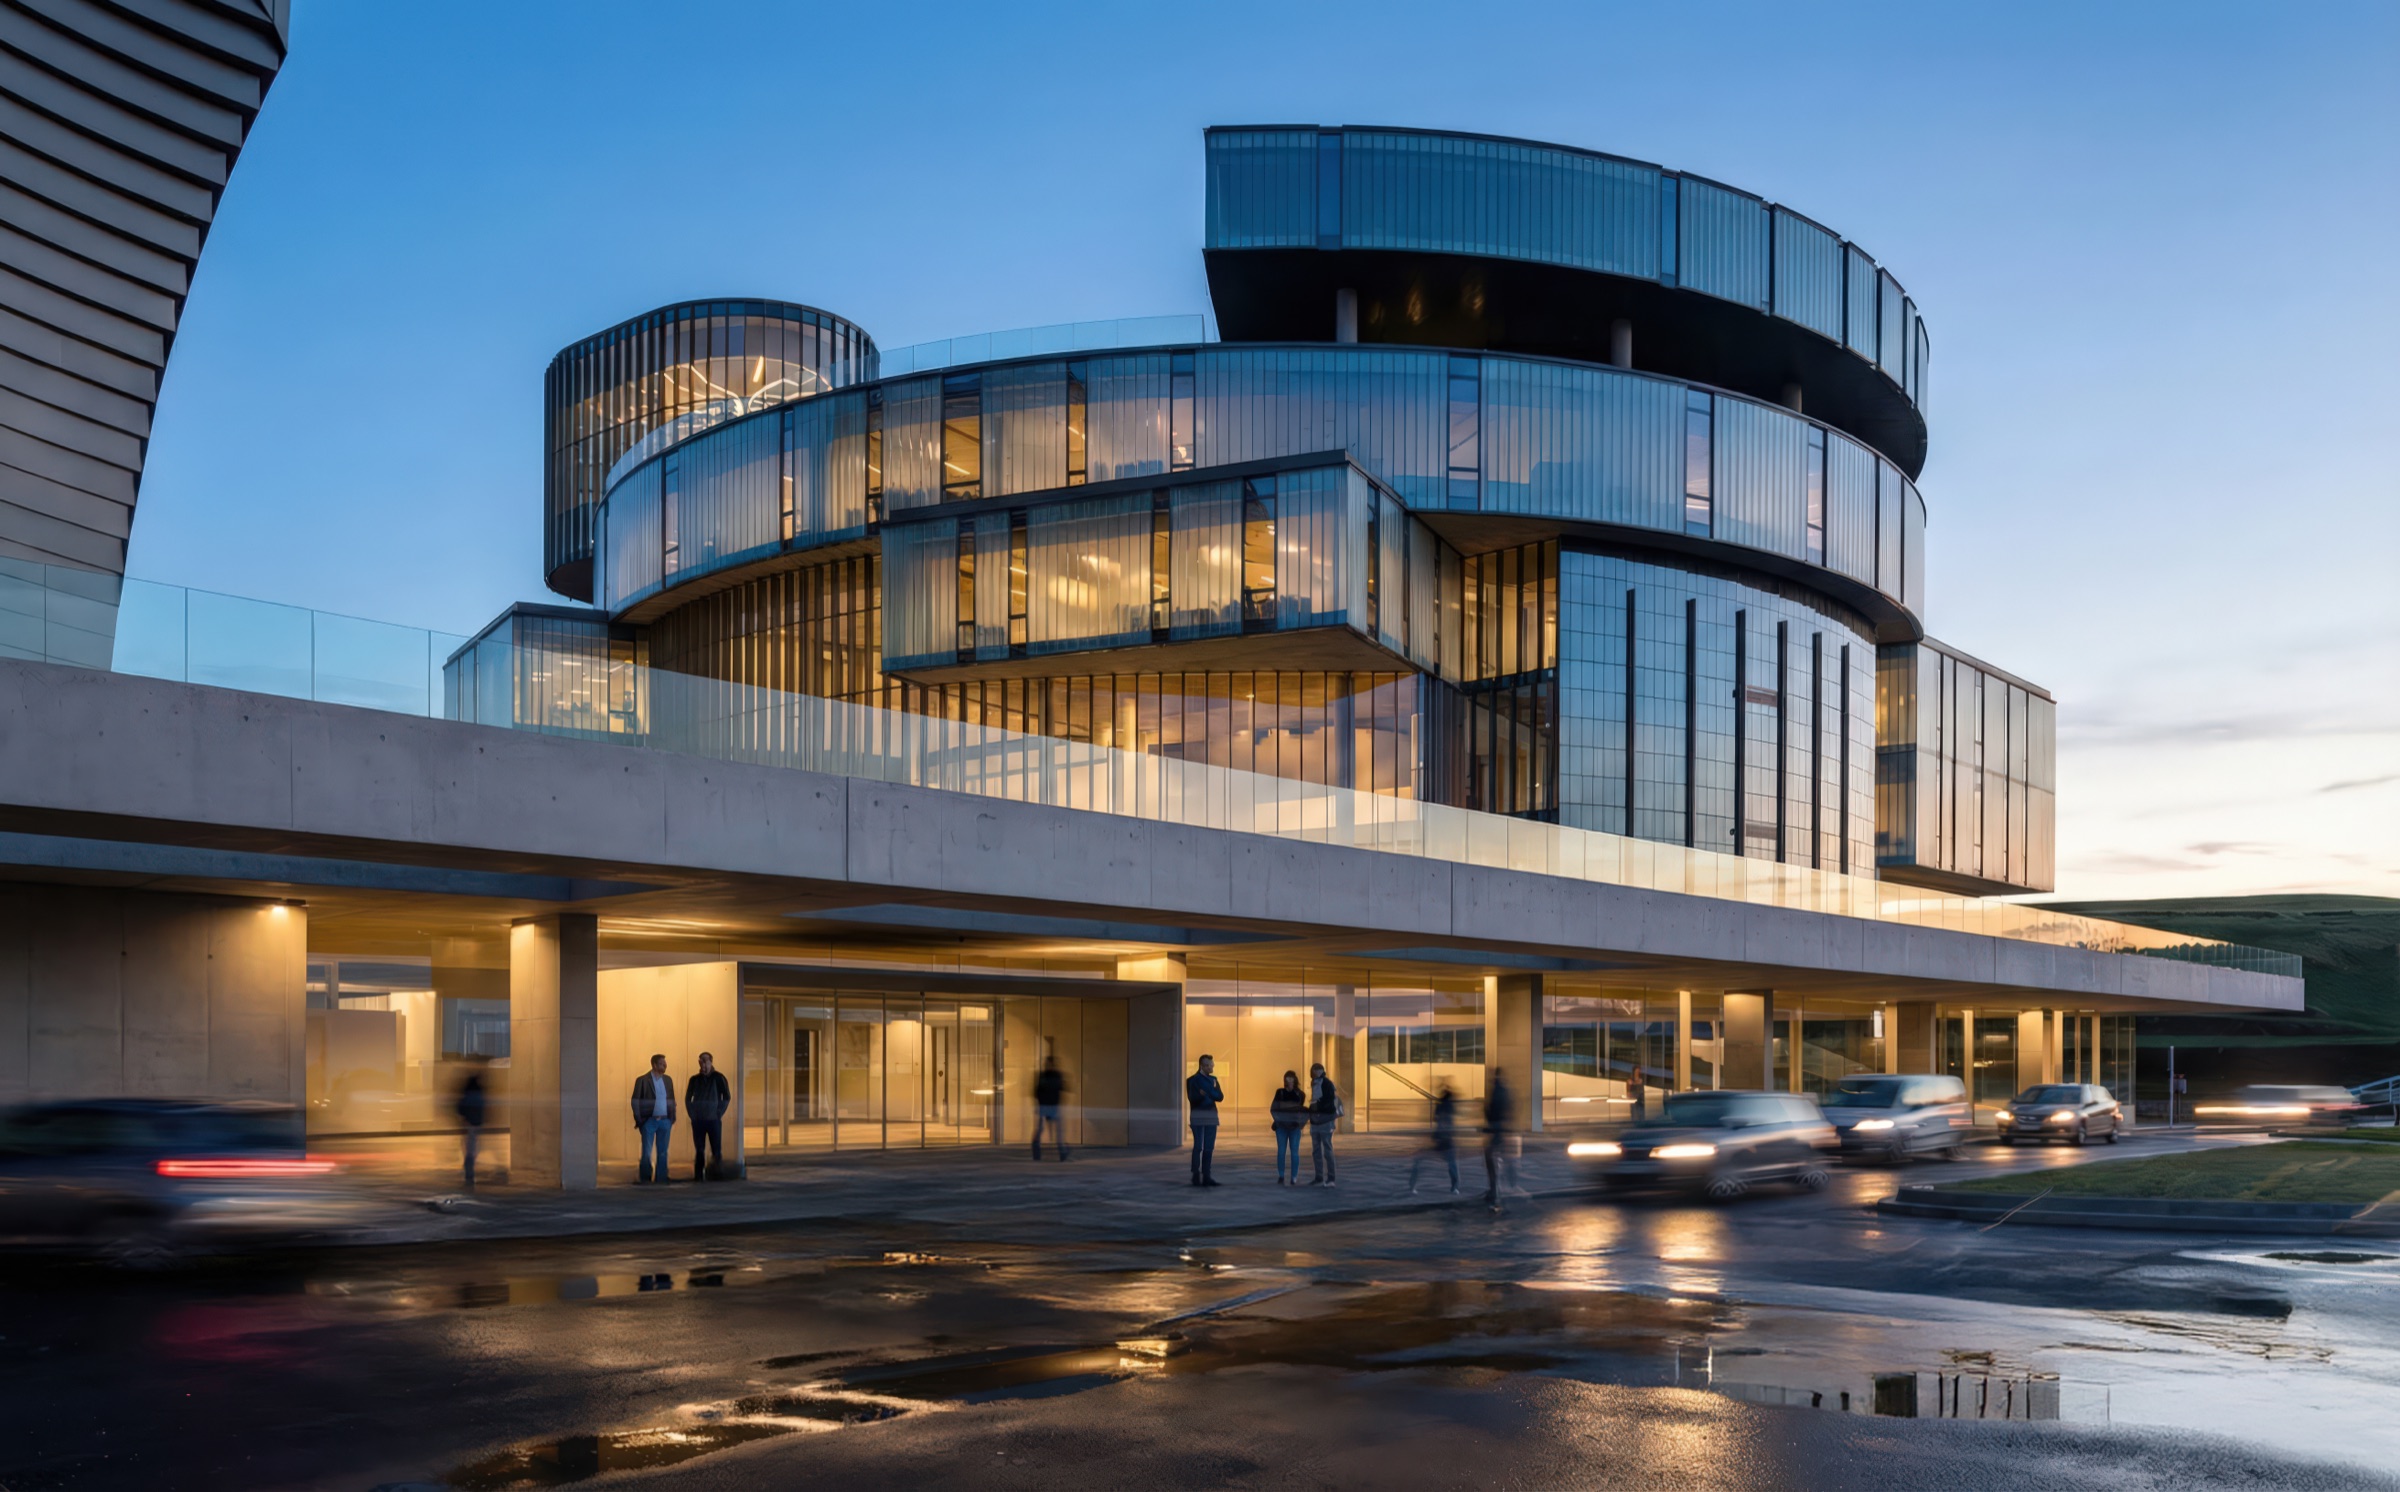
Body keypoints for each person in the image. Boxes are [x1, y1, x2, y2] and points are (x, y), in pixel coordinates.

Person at [631, 1052, 677, 1184]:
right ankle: (645, 1177)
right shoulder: (643, 1080)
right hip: (649, 1121)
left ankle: (661, 1178)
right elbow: (635, 1101)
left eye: (665, 1063)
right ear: (654, 1065)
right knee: (647, 1151)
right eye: (662, 1064)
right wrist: (640, 1120)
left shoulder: (668, 1080)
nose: (665, 1066)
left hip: (665, 1120)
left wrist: (672, 1117)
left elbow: (672, 1099)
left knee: (663, 1151)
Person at [1409, 1079, 1460, 1195]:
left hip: (1440, 1139)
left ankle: (1412, 1186)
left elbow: (1437, 1119)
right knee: (1452, 1164)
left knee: (1420, 1160)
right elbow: (1444, 1121)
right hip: (1446, 1140)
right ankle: (1454, 1188)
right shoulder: (1449, 1107)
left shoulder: (1442, 1106)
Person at [685, 1051, 731, 1181]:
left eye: (705, 1061)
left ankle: (717, 1175)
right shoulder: (694, 1080)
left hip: (713, 1120)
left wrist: (718, 1113)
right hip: (698, 1120)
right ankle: (699, 1176)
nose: (703, 1064)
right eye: (701, 1061)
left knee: (716, 1149)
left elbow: (726, 1097)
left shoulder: (718, 1078)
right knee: (699, 1149)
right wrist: (693, 1115)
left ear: (711, 1062)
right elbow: (688, 1098)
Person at [1483, 1067, 1518, 1211]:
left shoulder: (1496, 1090)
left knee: (1491, 1158)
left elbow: (1492, 1110)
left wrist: (1486, 1115)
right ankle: (1510, 1181)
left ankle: (1495, 1192)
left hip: (1497, 1128)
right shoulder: (1505, 1090)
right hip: (1502, 1128)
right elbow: (1511, 1108)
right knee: (1502, 1157)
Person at [1186, 1054, 1223, 1186]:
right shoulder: (1192, 1080)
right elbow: (1193, 1098)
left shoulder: (1214, 1079)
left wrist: (1208, 1091)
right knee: (1198, 1147)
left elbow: (1219, 1097)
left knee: (1209, 1148)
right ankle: (1196, 1174)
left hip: (1211, 1117)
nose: (1212, 1066)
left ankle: (1206, 1175)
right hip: (1198, 1117)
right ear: (1202, 1066)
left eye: (1212, 1064)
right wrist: (1208, 1093)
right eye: (1209, 1065)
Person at [453, 1056, 490, 1189]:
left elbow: (462, 1103)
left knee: (470, 1144)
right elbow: (480, 1104)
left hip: (470, 1121)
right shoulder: (477, 1086)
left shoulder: (468, 1085)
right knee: (472, 1145)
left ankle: (468, 1167)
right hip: (474, 1121)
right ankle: (469, 1168)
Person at [1270, 1070, 1308, 1185]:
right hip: (1281, 1127)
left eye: (1291, 1078)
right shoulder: (1280, 1092)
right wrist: (1278, 1120)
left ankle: (1294, 1177)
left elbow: (1300, 1110)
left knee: (1294, 1152)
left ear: (1295, 1080)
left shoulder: (1300, 1094)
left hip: (1294, 1127)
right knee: (1281, 1151)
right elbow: (1273, 1108)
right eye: (1287, 1078)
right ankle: (1281, 1176)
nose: (1289, 1080)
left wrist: (1300, 1123)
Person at [1307, 1061, 1340, 1186]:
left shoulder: (1327, 1083)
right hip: (1316, 1120)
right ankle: (1319, 1177)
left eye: (1319, 1070)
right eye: (1315, 1070)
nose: (1317, 1072)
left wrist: (1317, 1106)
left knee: (1327, 1149)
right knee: (1316, 1150)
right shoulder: (1314, 1083)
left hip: (1325, 1119)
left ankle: (1331, 1178)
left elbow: (1329, 1101)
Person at [1032, 1055, 1069, 1161]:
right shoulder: (1054, 1076)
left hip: (1048, 1105)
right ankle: (1061, 1151)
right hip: (1050, 1105)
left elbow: (1037, 1091)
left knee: (1042, 1129)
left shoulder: (1044, 1076)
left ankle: (1038, 1150)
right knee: (1055, 1130)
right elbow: (1061, 1089)